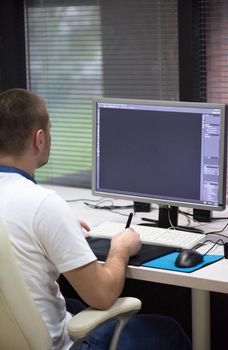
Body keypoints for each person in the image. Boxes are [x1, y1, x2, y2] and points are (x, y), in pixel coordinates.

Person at [0, 88, 191, 350]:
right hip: (55, 345)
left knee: (74, 303)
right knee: (169, 331)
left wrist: (59, 229)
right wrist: (120, 249)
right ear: (39, 139)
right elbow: (102, 296)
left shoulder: (35, 206)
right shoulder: (43, 205)